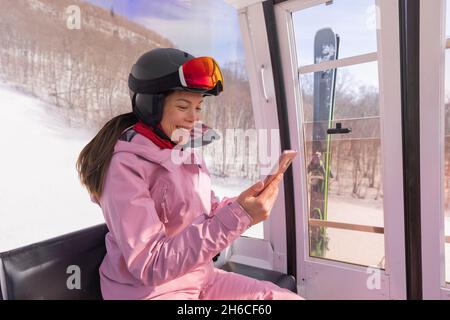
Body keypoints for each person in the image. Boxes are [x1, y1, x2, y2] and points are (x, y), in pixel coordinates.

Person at [76, 48, 302, 300]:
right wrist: (240, 217)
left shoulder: (184, 151)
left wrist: (241, 206)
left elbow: (205, 213)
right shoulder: (124, 168)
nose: (194, 117)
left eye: (198, 107)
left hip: (201, 278)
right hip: (149, 292)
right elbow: (149, 264)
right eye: (183, 106)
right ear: (150, 106)